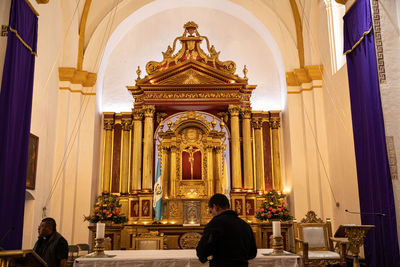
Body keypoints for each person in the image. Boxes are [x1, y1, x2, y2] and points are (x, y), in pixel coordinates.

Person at [196, 194, 257, 267]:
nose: (212, 214)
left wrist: (204, 258)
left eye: (211, 211)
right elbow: (252, 253)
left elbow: (202, 251)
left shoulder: (215, 223)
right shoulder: (245, 224)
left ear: (215, 207)